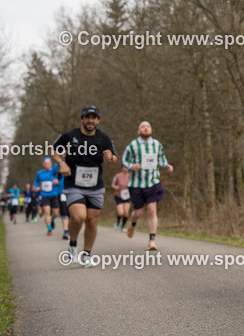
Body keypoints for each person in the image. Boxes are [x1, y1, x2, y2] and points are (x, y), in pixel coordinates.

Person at [51, 106, 118, 266]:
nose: (90, 120)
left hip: (95, 185)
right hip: (74, 183)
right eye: (87, 117)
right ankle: (73, 245)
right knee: (78, 217)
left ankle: (87, 254)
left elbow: (114, 158)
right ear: (82, 119)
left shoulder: (103, 138)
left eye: (93, 117)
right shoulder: (70, 136)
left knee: (92, 221)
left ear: (98, 120)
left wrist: (111, 157)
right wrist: (61, 163)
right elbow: (53, 150)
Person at [122, 121, 173, 251]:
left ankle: (152, 241)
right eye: (142, 127)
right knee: (138, 212)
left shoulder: (157, 144)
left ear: (151, 130)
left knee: (151, 210)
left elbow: (161, 158)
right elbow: (125, 160)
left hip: (152, 182)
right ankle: (132, 224)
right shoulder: (132, 145)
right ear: (138, 131)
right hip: (136, 184)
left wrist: (166, 165)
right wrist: (132, 166)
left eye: (148, 126)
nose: (146, 128)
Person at [34, 157, 61, 236]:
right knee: (46, 211)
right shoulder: (40, 173)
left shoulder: (54, 171)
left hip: (54, 194)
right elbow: (36, 181)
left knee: (56, 213)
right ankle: (49, 229)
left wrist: (57, 181)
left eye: (48, 164)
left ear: (51, 164)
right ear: (43, 165)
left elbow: (60, 179)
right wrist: (36, 187)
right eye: (45, 164)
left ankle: (52, 219)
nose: (47, 165)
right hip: (45, 195)